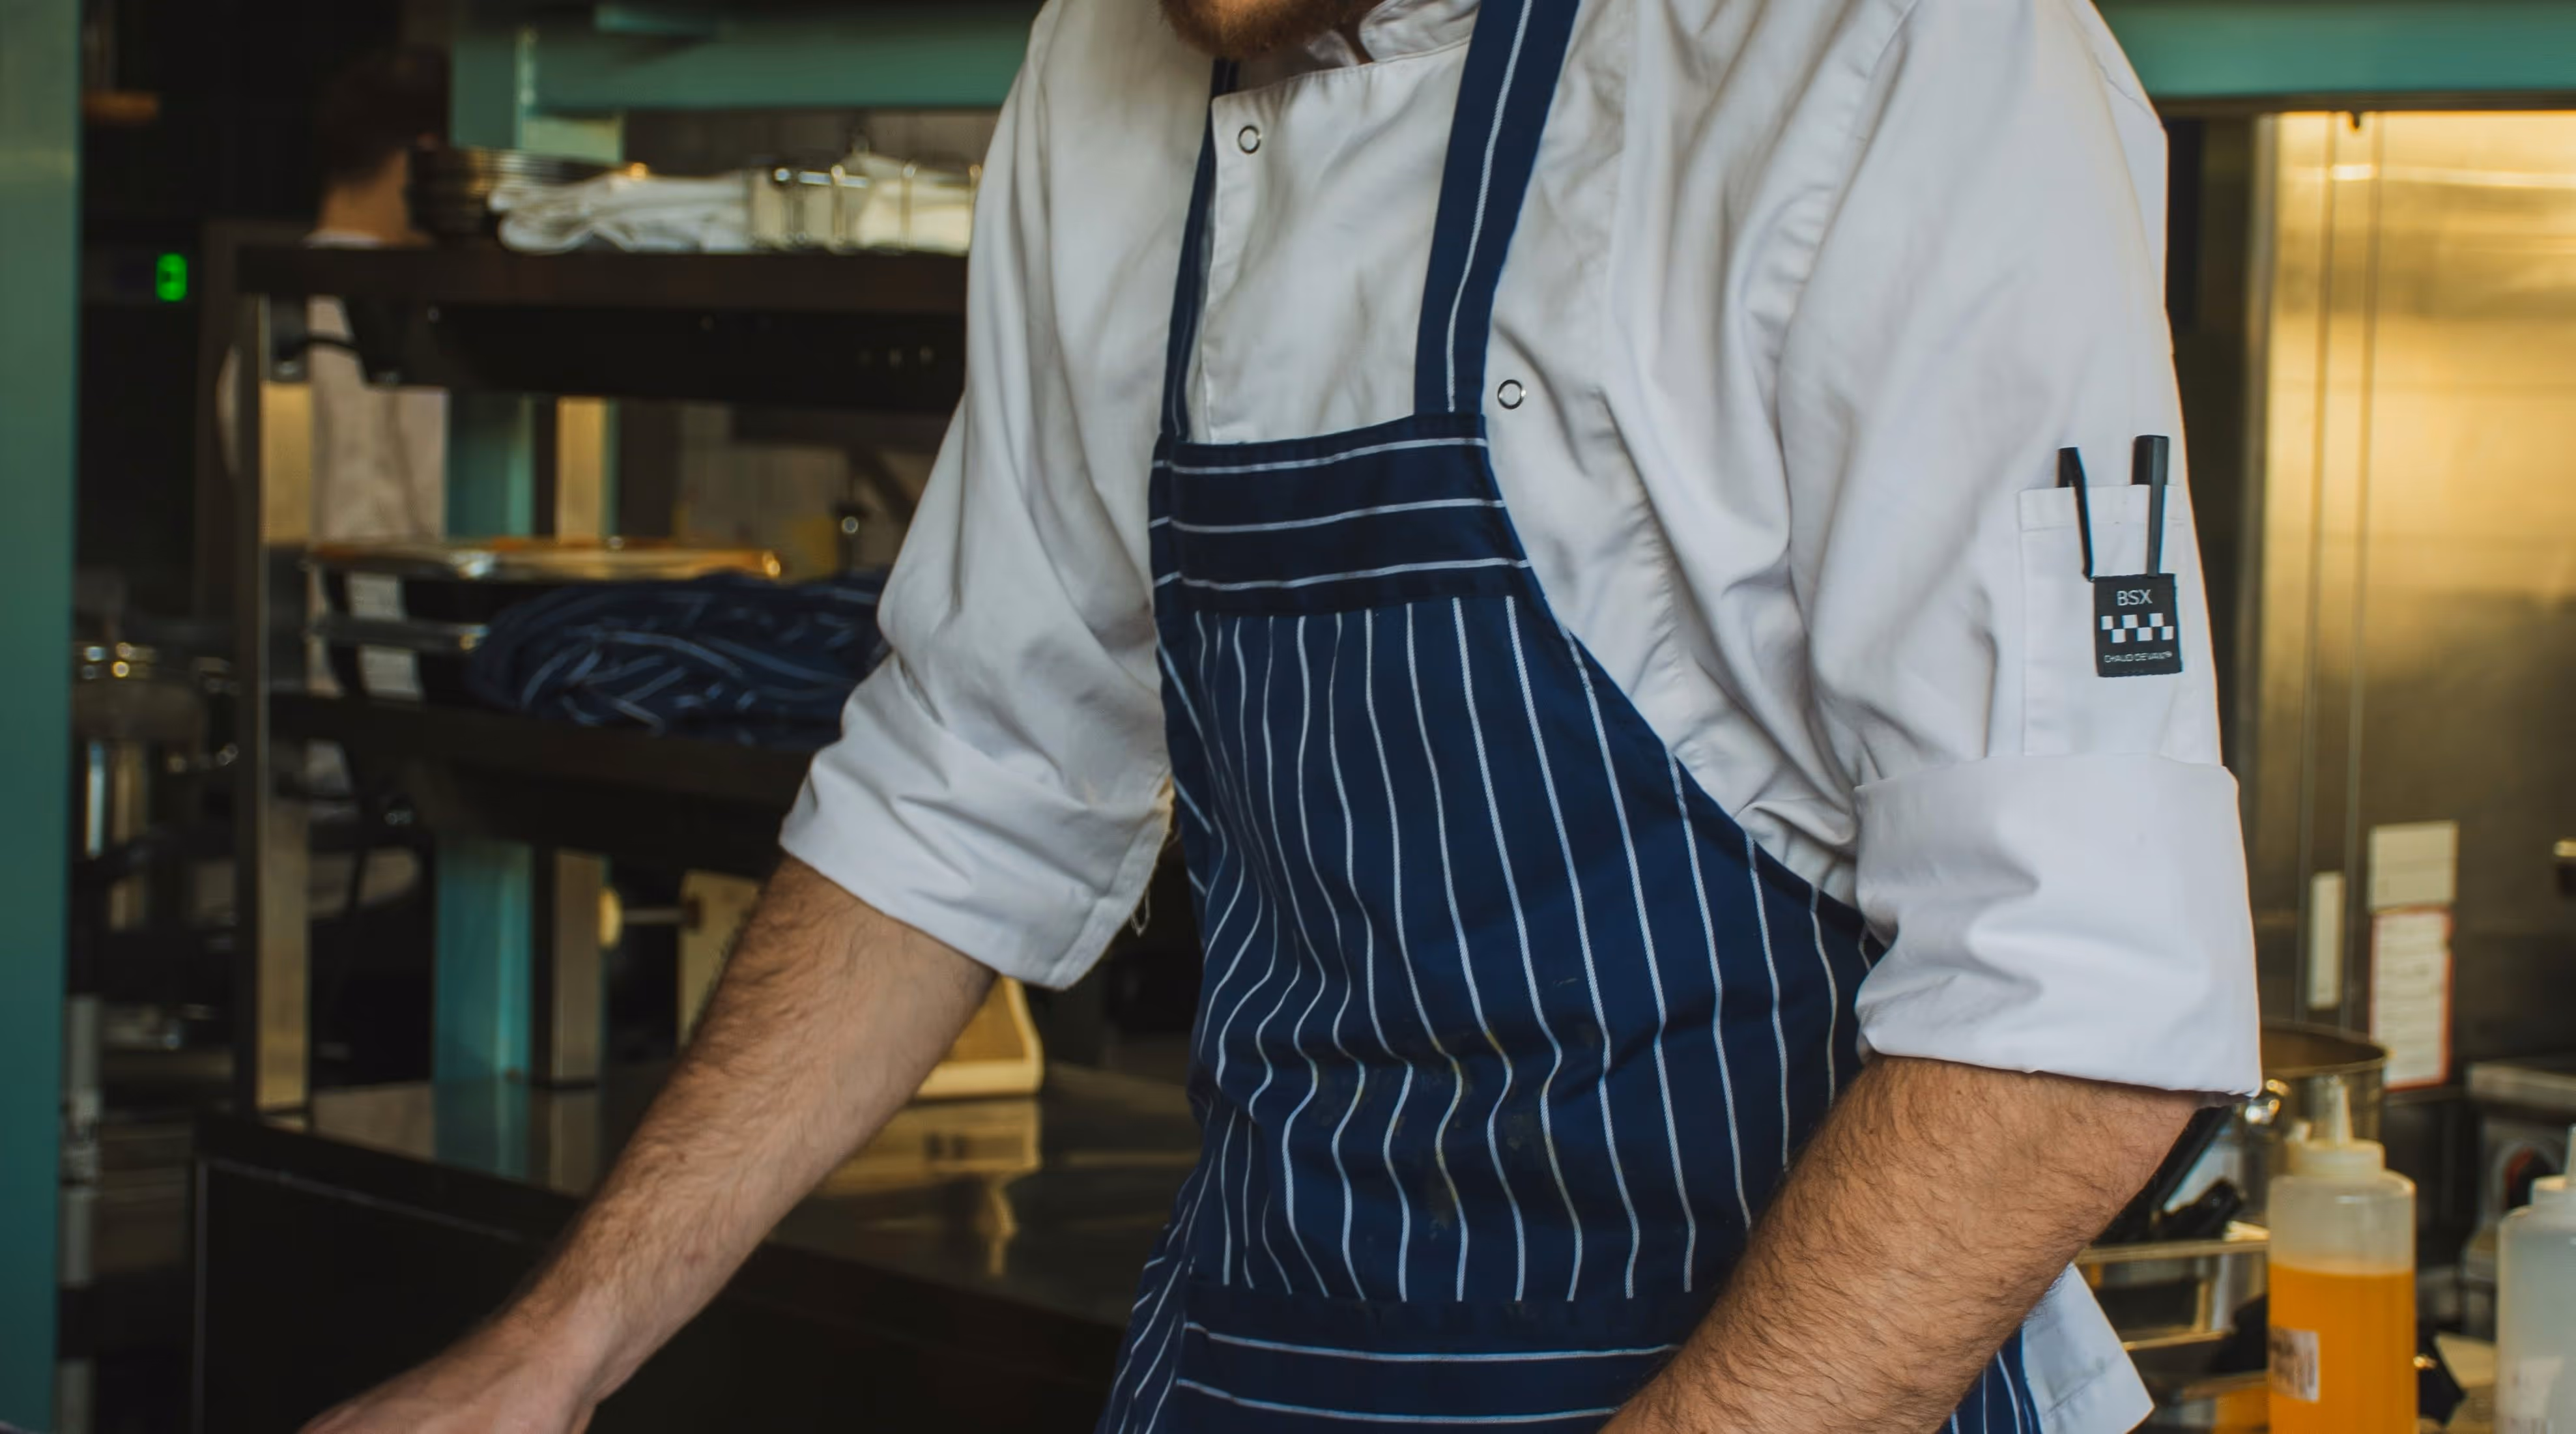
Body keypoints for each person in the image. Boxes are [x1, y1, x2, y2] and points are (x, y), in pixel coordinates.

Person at [307, 0, 2259, 1428]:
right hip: (1269, 1365)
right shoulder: (1105, 65)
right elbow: (970, 772)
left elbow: (2070, 1000)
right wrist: (546, 1357)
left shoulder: (1883, 51)